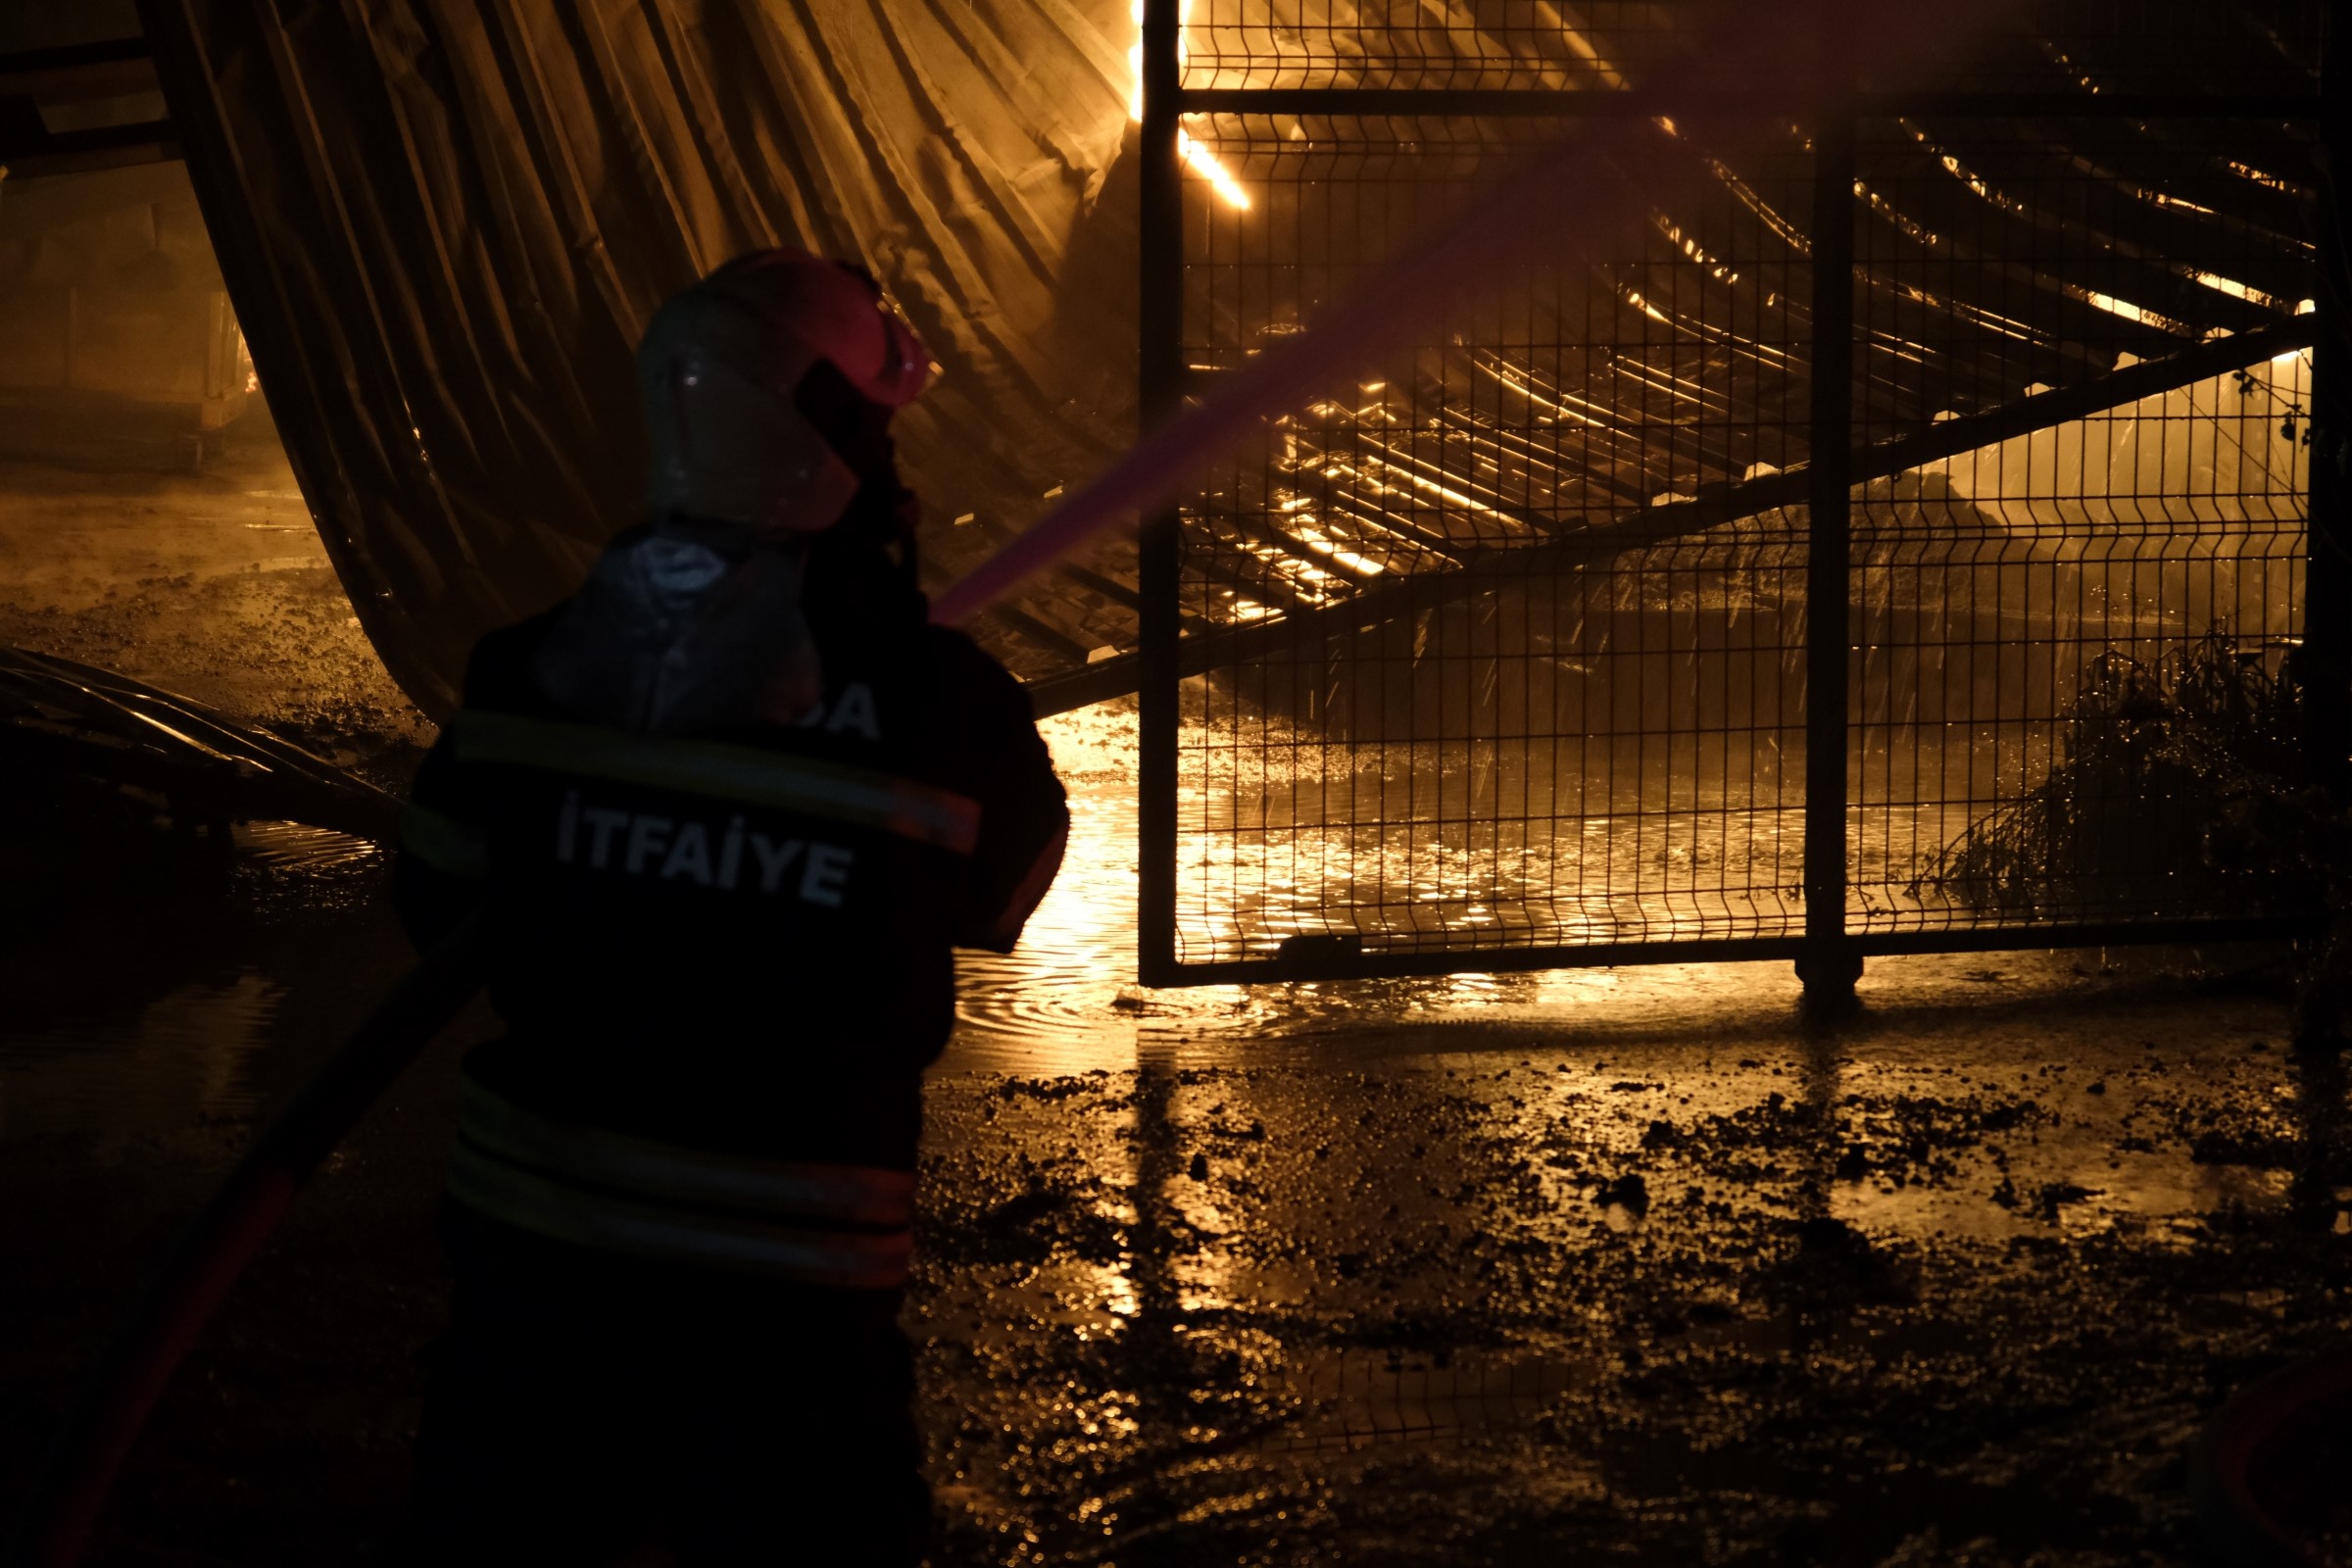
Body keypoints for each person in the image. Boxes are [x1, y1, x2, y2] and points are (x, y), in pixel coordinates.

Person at [388, 250, 1069, 1564]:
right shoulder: (944, 705)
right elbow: (1007, 896)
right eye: (875, 424)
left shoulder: (529, 669)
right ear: (834, 435)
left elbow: (432, 904)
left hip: (533, 1286)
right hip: (795, 1314)